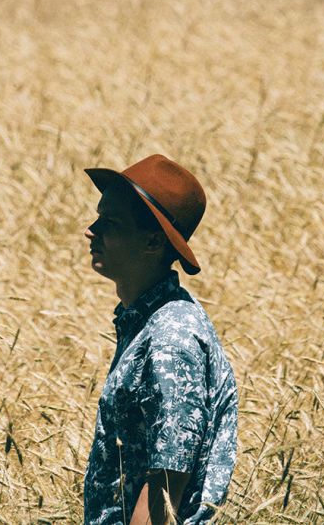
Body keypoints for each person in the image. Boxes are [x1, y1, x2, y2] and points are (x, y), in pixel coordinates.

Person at [81, 154, 238, 524]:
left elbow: (166, 487)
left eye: (110, 222)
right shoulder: (146, 320)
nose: (91, 229)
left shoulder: (171, 339)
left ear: (153, 242)